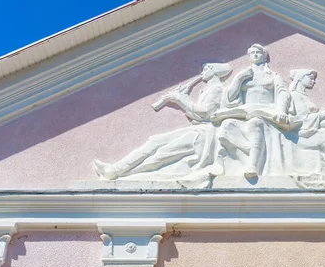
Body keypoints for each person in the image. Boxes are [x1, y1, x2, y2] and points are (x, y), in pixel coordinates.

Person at [92, 63, 232, 180]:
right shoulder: (207, 90)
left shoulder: (217, 89)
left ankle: (122, 175)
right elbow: (196, 114)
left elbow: (204, 113)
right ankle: (115, 170)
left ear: (215, 71)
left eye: (206, 69)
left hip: (204, 134)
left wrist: (180, 99)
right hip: (197, 130)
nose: (202, 72)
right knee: (154, 141)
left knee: (163, 153)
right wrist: (181, 99)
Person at [211, 44, 294, 178]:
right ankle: (245, 160)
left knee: (255, 123)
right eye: (252, 53)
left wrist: (282, 111)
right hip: (245, 110)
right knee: (226, 125)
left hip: (266, 111)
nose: (255, 55)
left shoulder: (273, 76)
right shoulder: (243, 74)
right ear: (249, 57)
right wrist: (239, 79)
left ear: (264, 56)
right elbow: (230, 97)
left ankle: (253, 165)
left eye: (258, 52)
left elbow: (282, 93)